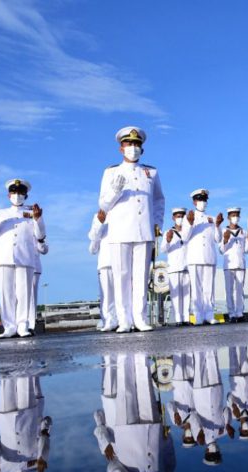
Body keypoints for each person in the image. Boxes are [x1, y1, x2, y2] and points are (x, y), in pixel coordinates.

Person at [98, 127, 165, 333]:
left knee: (141, 277)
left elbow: (159, 200)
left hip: (143, 231)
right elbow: (103, 204)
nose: (133, 148)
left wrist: (157, 224)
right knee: (121, 276)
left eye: (137, 144)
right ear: (121, 149)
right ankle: (124, 320)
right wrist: (114, 191)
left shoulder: (151, 172)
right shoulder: (111, 172)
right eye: (129, 144)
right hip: (120, 232)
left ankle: (140, 318)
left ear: (142, 149)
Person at [94, 353, 175, 472]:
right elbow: (170, 465)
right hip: (152, 433)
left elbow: (112, 469)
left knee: (125, 387)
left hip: (127, 435)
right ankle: (140, 351)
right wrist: (167, 440)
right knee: (145, 386)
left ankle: (123, 349)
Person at [0, 179, 46, 338]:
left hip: (25, 258)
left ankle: (22, 326)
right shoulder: (2, 213)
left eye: (20, 193)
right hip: (5, 257)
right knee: (6, 293)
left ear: (26, 195)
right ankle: (9, 327)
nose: (17, 195)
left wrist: (38, 220)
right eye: (14, 192)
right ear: (8, 195)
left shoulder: (33, 212)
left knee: (24, 294)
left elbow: (40, 235)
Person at [0, 374, 51, 472]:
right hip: (28, 415)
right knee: (25, 377)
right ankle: (25, 354)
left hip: (6, 418)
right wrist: (42, 457)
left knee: (6, 380)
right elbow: (44, 439)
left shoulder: (2, 468)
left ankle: (4, 354)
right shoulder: (37, 465)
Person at [185, 189, 223, 325]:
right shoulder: (188, 217)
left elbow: (218, 239)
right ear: (194, 201)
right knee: (196, 289)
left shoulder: (211, 219)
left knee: (209, 289)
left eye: (204, 200)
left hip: (209, 257)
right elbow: (184, 237)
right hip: (194, 258)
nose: (203, 202)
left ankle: (209, 314)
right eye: (200, 200)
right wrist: (189, 223)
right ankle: (198, 316)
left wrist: (218, 226)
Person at [190, 349, 235, 465]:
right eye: (216, 454)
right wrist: (228, 424)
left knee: (199, 361)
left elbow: (193, 416)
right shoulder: (224, 432)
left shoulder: (198, 438)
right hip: (216, 392)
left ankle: (196, 336)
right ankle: (209, 334)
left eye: (211, 454)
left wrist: (199, 431)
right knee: (213, 360)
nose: (214, 451)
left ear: (206, 451)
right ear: (219, 451)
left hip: (200, 395)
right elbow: (227, 410)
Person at [220, 207, 248, 323]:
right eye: (233, 215)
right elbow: (221, 250)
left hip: (240, 264)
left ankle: (239, 313)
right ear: (228, 217)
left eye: (237, 215)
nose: (235, 217)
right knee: (229, 290)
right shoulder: (223, 231)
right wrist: (225, 240)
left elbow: (246, 250)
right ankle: (231, 314)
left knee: (239, 291)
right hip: (228, 265)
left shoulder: (243, 232)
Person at [161, 208, 191, 325]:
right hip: (174, 267)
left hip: (186, 267)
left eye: (182, 216)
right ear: (173, 218)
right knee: (176, 295)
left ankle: (186, 318)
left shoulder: (188, 231)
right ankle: (178, 319)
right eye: (178, 216)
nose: (180, 219)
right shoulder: (169, 232)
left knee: (187, 295)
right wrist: (168, 240)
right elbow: (163, 249)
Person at [88, 210, 117, 331]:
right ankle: (108, 321)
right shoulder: (98, 216)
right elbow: (93, 239)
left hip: (121, 261)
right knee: (106, 296)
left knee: (123, 294)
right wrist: (100, 222)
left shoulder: (122, 212)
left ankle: (123, 320)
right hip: (105, 262)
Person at [227, 346, 248, 440]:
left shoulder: (233, 416)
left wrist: (233, 406)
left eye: (244, 431)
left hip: (235, 381)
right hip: (247, 379)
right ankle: (241, 334)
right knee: (243, 353)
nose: (247, 429)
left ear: (240, 429)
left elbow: (229, 396)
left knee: (232, 353)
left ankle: (230, 333)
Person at [29, 236, 48, 333]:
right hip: (19, 266)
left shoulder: (37, 230)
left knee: (32, 297)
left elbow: (44, 250)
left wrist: (41, 241)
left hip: (34, 267)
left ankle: (30, 325)